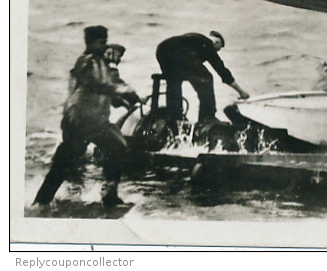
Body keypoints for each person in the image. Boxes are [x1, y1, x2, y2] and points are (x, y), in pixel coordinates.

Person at [34, 26, 140, 207]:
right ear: (89, 42)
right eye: (101, 42)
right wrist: (126, 91)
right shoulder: (86, 61)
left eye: (105, 42)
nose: (104, 46)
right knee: (66, 160)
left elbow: (108, 90)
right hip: (80, 121)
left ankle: (109, 194)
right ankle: (42, 201)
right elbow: (98, 85)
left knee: (118, 147)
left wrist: (121, 99)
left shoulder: (100, 62)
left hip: (98, 121)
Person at [155, 31, 250, 126]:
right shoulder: (207, 43)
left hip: (162, 51)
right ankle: (207, 118)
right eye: (218, 50)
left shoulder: (194, 39)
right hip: (181, 53)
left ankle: (174, 116)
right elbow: (221, 70)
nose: (216, 52)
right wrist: (241, 92)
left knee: (174, 80)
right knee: (206, 78)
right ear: (217, 42)